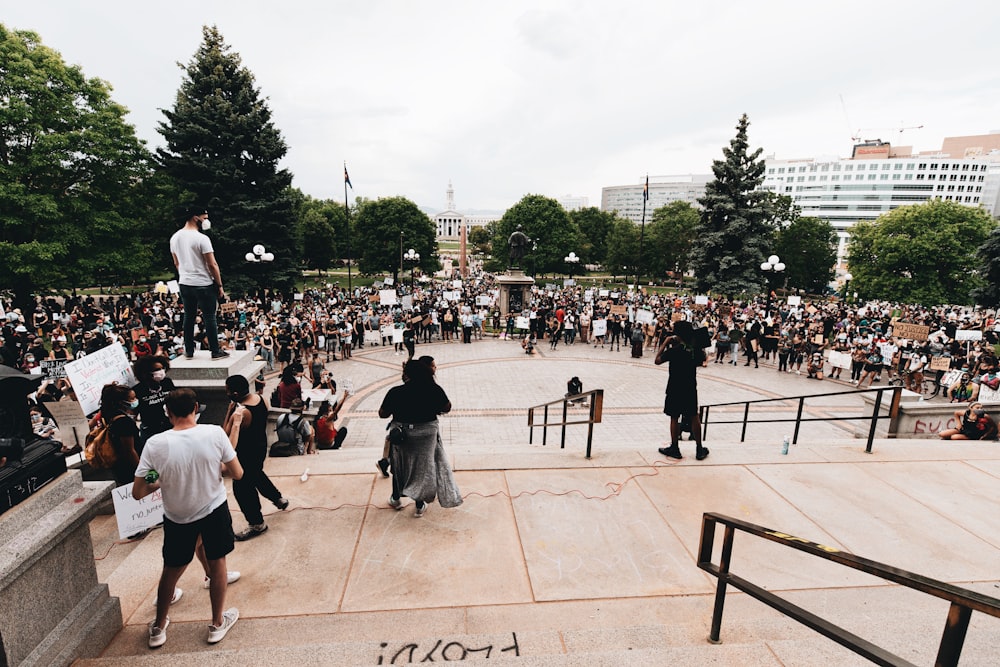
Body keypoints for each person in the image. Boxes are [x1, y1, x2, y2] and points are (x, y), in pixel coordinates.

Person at [133, 388, 244, 648]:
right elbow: (236, 473)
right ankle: (217, 624)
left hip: (177, 517)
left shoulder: (155, 443)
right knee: (218, 566)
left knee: (171, 572)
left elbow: (139, 491)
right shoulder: (214, 433)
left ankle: (158, 627)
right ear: (196, 408)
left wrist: (159, 480)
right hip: (213, 509)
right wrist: (216, 467)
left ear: (167, 412)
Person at [378, 359, 462, 517]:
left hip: (403, 437)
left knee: (399, 464)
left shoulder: (395, 392)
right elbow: (447, 407)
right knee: (422, 467)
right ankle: (419, 503)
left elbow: (383, 414)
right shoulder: (434, 389)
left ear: (407, 375)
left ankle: (396, 498)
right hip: (426, 437)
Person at [224, 375, 289, 541]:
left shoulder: (241, 413)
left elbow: (225, 434)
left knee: (243, 489)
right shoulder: (262, 399)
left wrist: (230, 411)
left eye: (228, 391)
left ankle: (256, 523)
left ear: (235, 394)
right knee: (257, 474)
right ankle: (278, 498)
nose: (227, 393)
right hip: (259, 449)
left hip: (244, 455)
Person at [169, 207, 229, 360]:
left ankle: (189, 350)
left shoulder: (175, 238)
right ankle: (215, 351)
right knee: (210, 317)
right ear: (196, 218)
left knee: (189, 316)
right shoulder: (202, 239)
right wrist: (219, 285)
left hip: (185, 282)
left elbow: (176, 263)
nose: (206, 220)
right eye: (205, 217)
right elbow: (212, 264)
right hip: (203, 283)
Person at [655, 321, 709, 461]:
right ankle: (699, 448)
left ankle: (675, 447)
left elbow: (657, 360)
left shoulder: (675, 350)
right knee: (693, 416)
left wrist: (665, 343)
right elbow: (702, 359)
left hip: (674, 387)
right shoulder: (694, 350)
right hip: (690, 387)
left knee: (674, 416)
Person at [96, 383, 142, 486]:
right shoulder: (124, 423)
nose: (135, 400)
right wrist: (141, 470)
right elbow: (129, 450)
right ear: (121, 402)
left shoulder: (108, 414)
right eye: (132, 399)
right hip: (129, 467)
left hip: (118, 465)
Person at [133, 355, 176, 451]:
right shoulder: (138, 390)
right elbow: (134, 413)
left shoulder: (167, 383)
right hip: (150, 431)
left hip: (169, 428)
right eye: (157, 369)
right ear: (146, 372)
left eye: (162, 368)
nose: (161, 371)